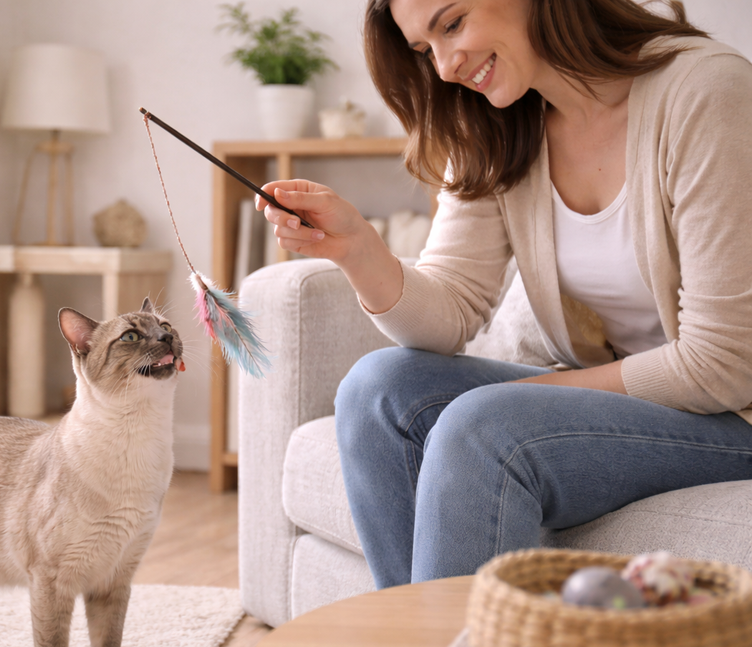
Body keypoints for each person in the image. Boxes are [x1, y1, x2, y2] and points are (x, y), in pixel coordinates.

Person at [254, 0, 752, 590]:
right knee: (376, 390)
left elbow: (724, 365)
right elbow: (451, 309)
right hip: (640, 401)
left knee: (482, 426)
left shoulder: (706, 91)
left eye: (452, 24)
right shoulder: (499, 122)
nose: (445, 67)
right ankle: (421, 637)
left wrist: (523, 393)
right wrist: (358, 248)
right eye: (425, 50)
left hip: (734, 413)